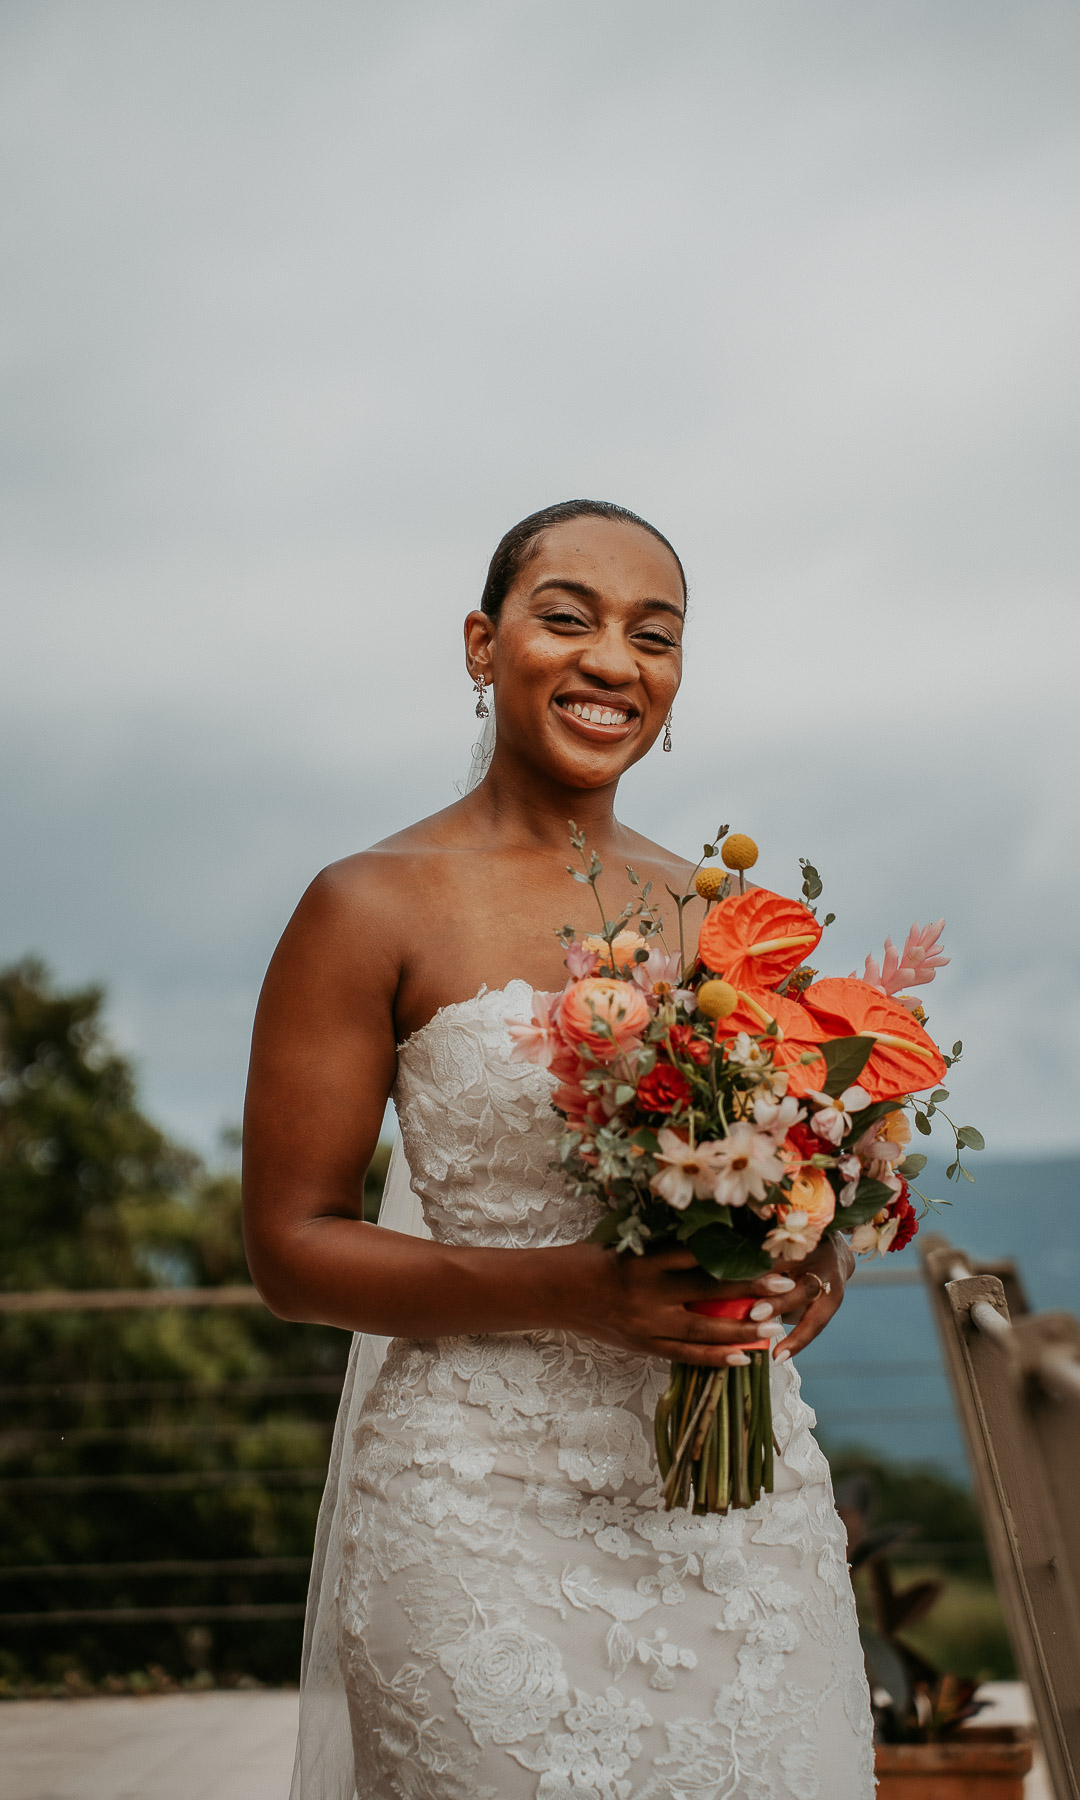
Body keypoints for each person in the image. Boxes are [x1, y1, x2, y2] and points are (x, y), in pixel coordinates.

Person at [242, 500, 874, 1800]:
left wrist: (810, 1261)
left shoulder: (727, 924)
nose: (612, 661)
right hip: (475, 1523)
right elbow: (293, 1253)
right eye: (566, 617)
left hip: (739, 1523)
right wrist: (580, 1294)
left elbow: (798, 1169)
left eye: (655, 634)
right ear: (483, 644)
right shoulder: (369, 904)